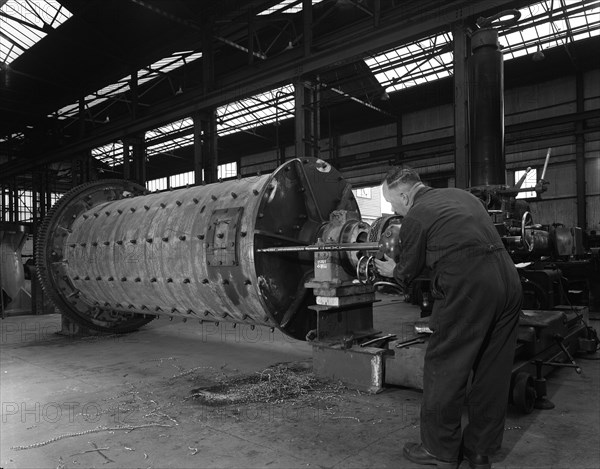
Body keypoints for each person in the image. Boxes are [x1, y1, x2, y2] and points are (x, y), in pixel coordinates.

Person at [374, 167, 521, 469]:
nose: (393, 210)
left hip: (468, 287)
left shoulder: (416, 215)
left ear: (405, 194)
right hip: (508, 281)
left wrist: (392, 271)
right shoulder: (461, 196)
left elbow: (407, 273)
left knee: (445, 367)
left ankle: (439, 450)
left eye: (392, 203)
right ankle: (480, 450)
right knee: (492, 370)